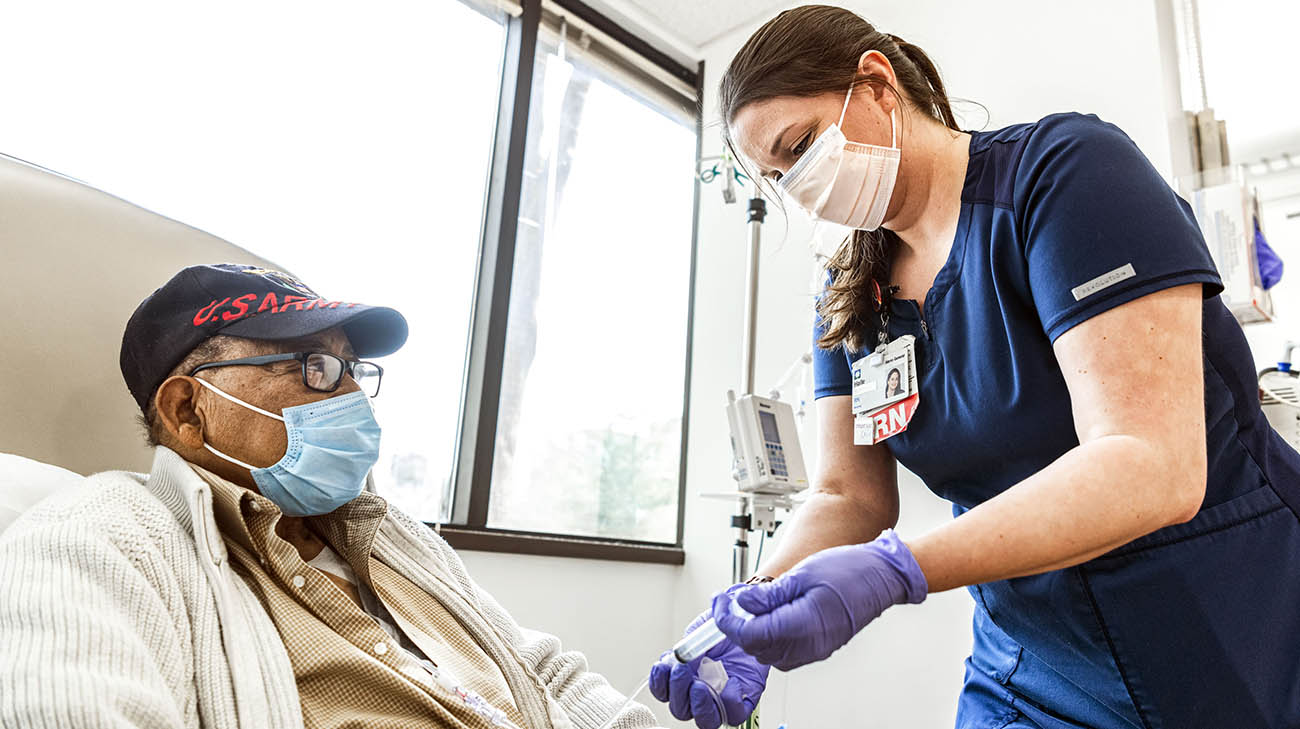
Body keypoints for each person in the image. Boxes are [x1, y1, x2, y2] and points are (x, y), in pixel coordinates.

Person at [648, 6, 1300, 729]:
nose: (802, 188)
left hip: (1228, 617)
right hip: (1029, 659)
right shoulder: (848, 298)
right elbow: (847, 495)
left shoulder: (1062, 174)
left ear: (876, 83)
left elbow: (1152, 462)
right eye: (778, 177)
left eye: (800, 146)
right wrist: (750, 607)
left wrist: (900, 569)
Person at [0, 263, 659, 729]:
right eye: (314, 367)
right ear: (186, 409)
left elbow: (540, 671)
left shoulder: (396, 538)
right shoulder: (99, 536)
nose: (350, 397)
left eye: (352, 369)